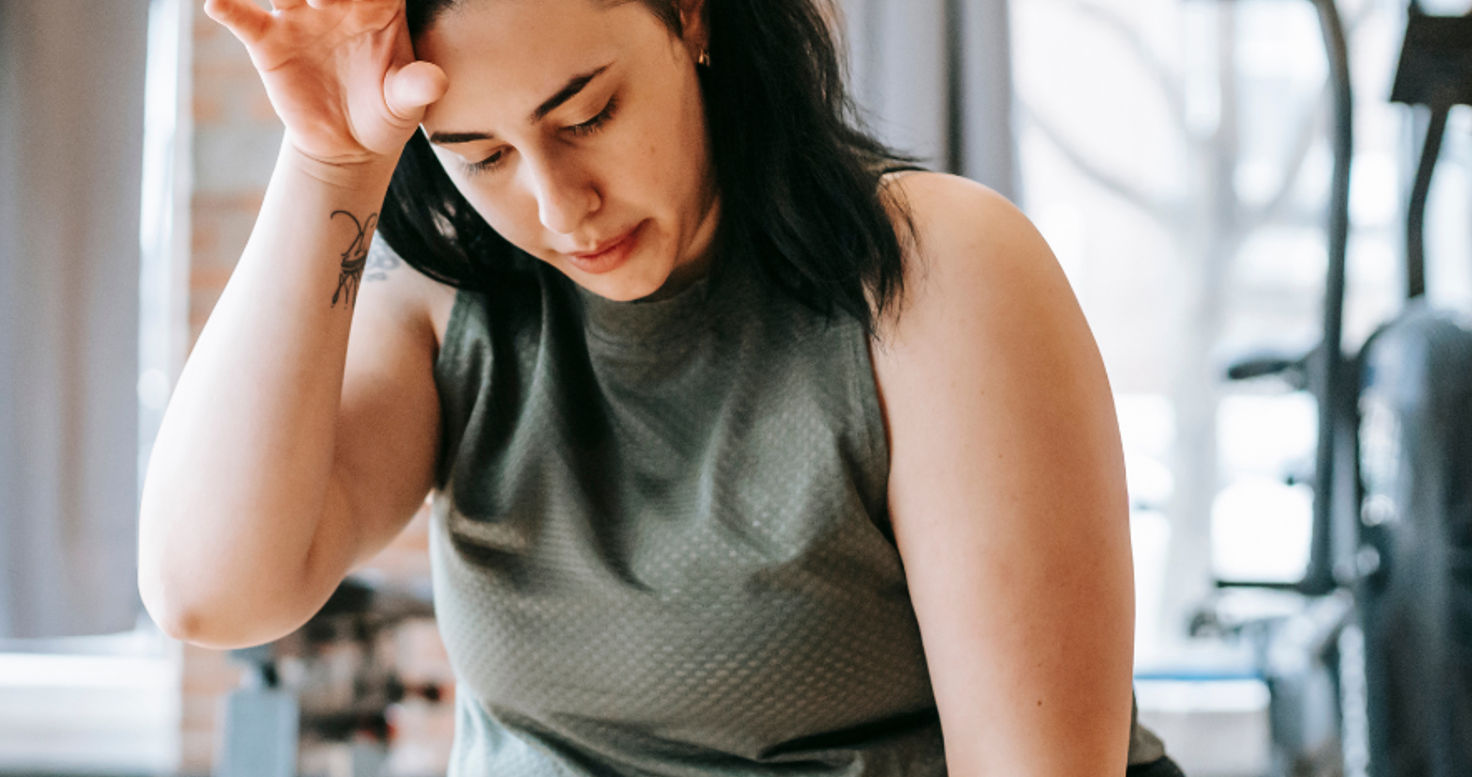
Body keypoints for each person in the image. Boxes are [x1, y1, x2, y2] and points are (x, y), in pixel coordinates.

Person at [137, 0, 1185, 774]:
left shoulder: (934, 273)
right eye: (482, 156)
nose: (558, 206)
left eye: (585, 115)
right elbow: (207, 590)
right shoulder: (449, 314)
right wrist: (328, 161)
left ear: (690, 17)